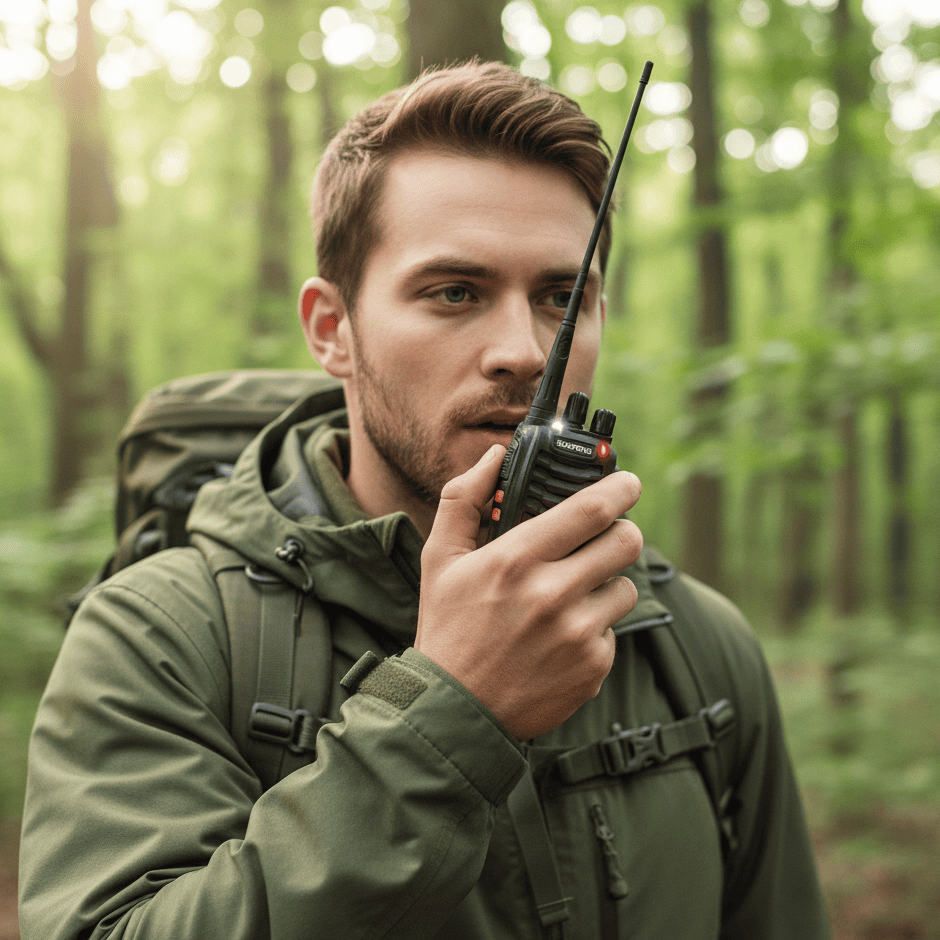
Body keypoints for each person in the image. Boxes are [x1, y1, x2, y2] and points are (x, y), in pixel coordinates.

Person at [19, 62, 831, 939]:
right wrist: (452, 711)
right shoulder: (163, 636)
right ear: (332, 328)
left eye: (564, 297)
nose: (524, 352)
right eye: (455, 292)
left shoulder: (694, 645)